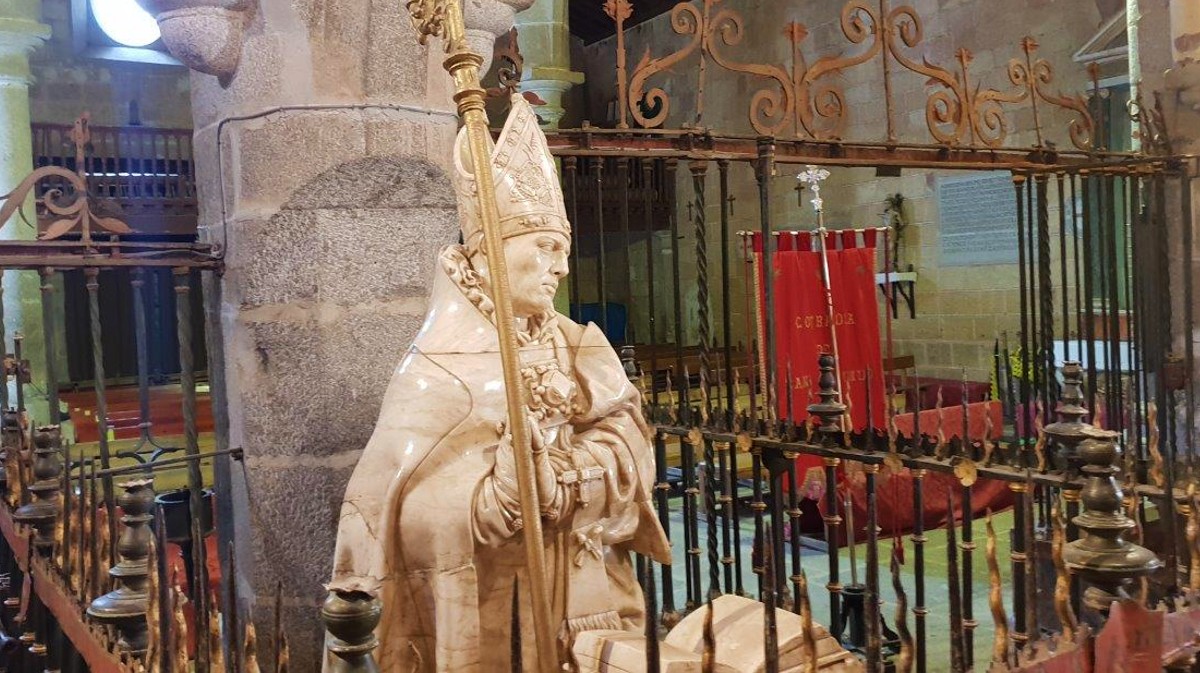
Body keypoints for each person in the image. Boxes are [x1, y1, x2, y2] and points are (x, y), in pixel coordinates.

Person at [327, 94, 670, 672]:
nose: (561, 267)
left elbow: (632, 442)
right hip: (496, 599)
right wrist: (495, 502)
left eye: (564, 249)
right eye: (546, 247)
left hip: (585, 582)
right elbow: (390, 514)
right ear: (490, 251)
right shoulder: (438, 365)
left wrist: (570, 479)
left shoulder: (578, 344)